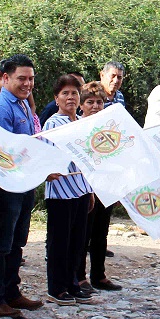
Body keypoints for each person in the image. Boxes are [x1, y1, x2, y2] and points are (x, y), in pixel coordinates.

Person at [0, 54, 45, 317]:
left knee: (17, 241)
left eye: (31, 79)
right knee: (0, 244)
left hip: (23, 183)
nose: (27, 83)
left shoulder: (22, 105)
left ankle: (12, 292)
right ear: (4, 78)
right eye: (22, 78)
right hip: (6, 187)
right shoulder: (1, 108)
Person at [42, 75, 95, 304]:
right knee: (59, 242)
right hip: (60, 191)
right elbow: (45, 155)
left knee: (77, 242)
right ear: (56, 98)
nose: (70, 97)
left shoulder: (82, 122)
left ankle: (73, 283)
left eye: (74, 93)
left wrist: (90, 189)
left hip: (81, 190)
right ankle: (57, 287)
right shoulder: (53, 123)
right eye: (65, 93)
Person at [75, 82, 122, 292]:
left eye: (99, 102)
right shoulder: (77, 126)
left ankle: (99, 275)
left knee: (101, 233)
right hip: (84, 187)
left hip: (106, 186)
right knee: (83, 234)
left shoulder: (108, 126)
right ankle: (79, 276)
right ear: (81, 105)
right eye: (90, 102)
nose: (95, 106)